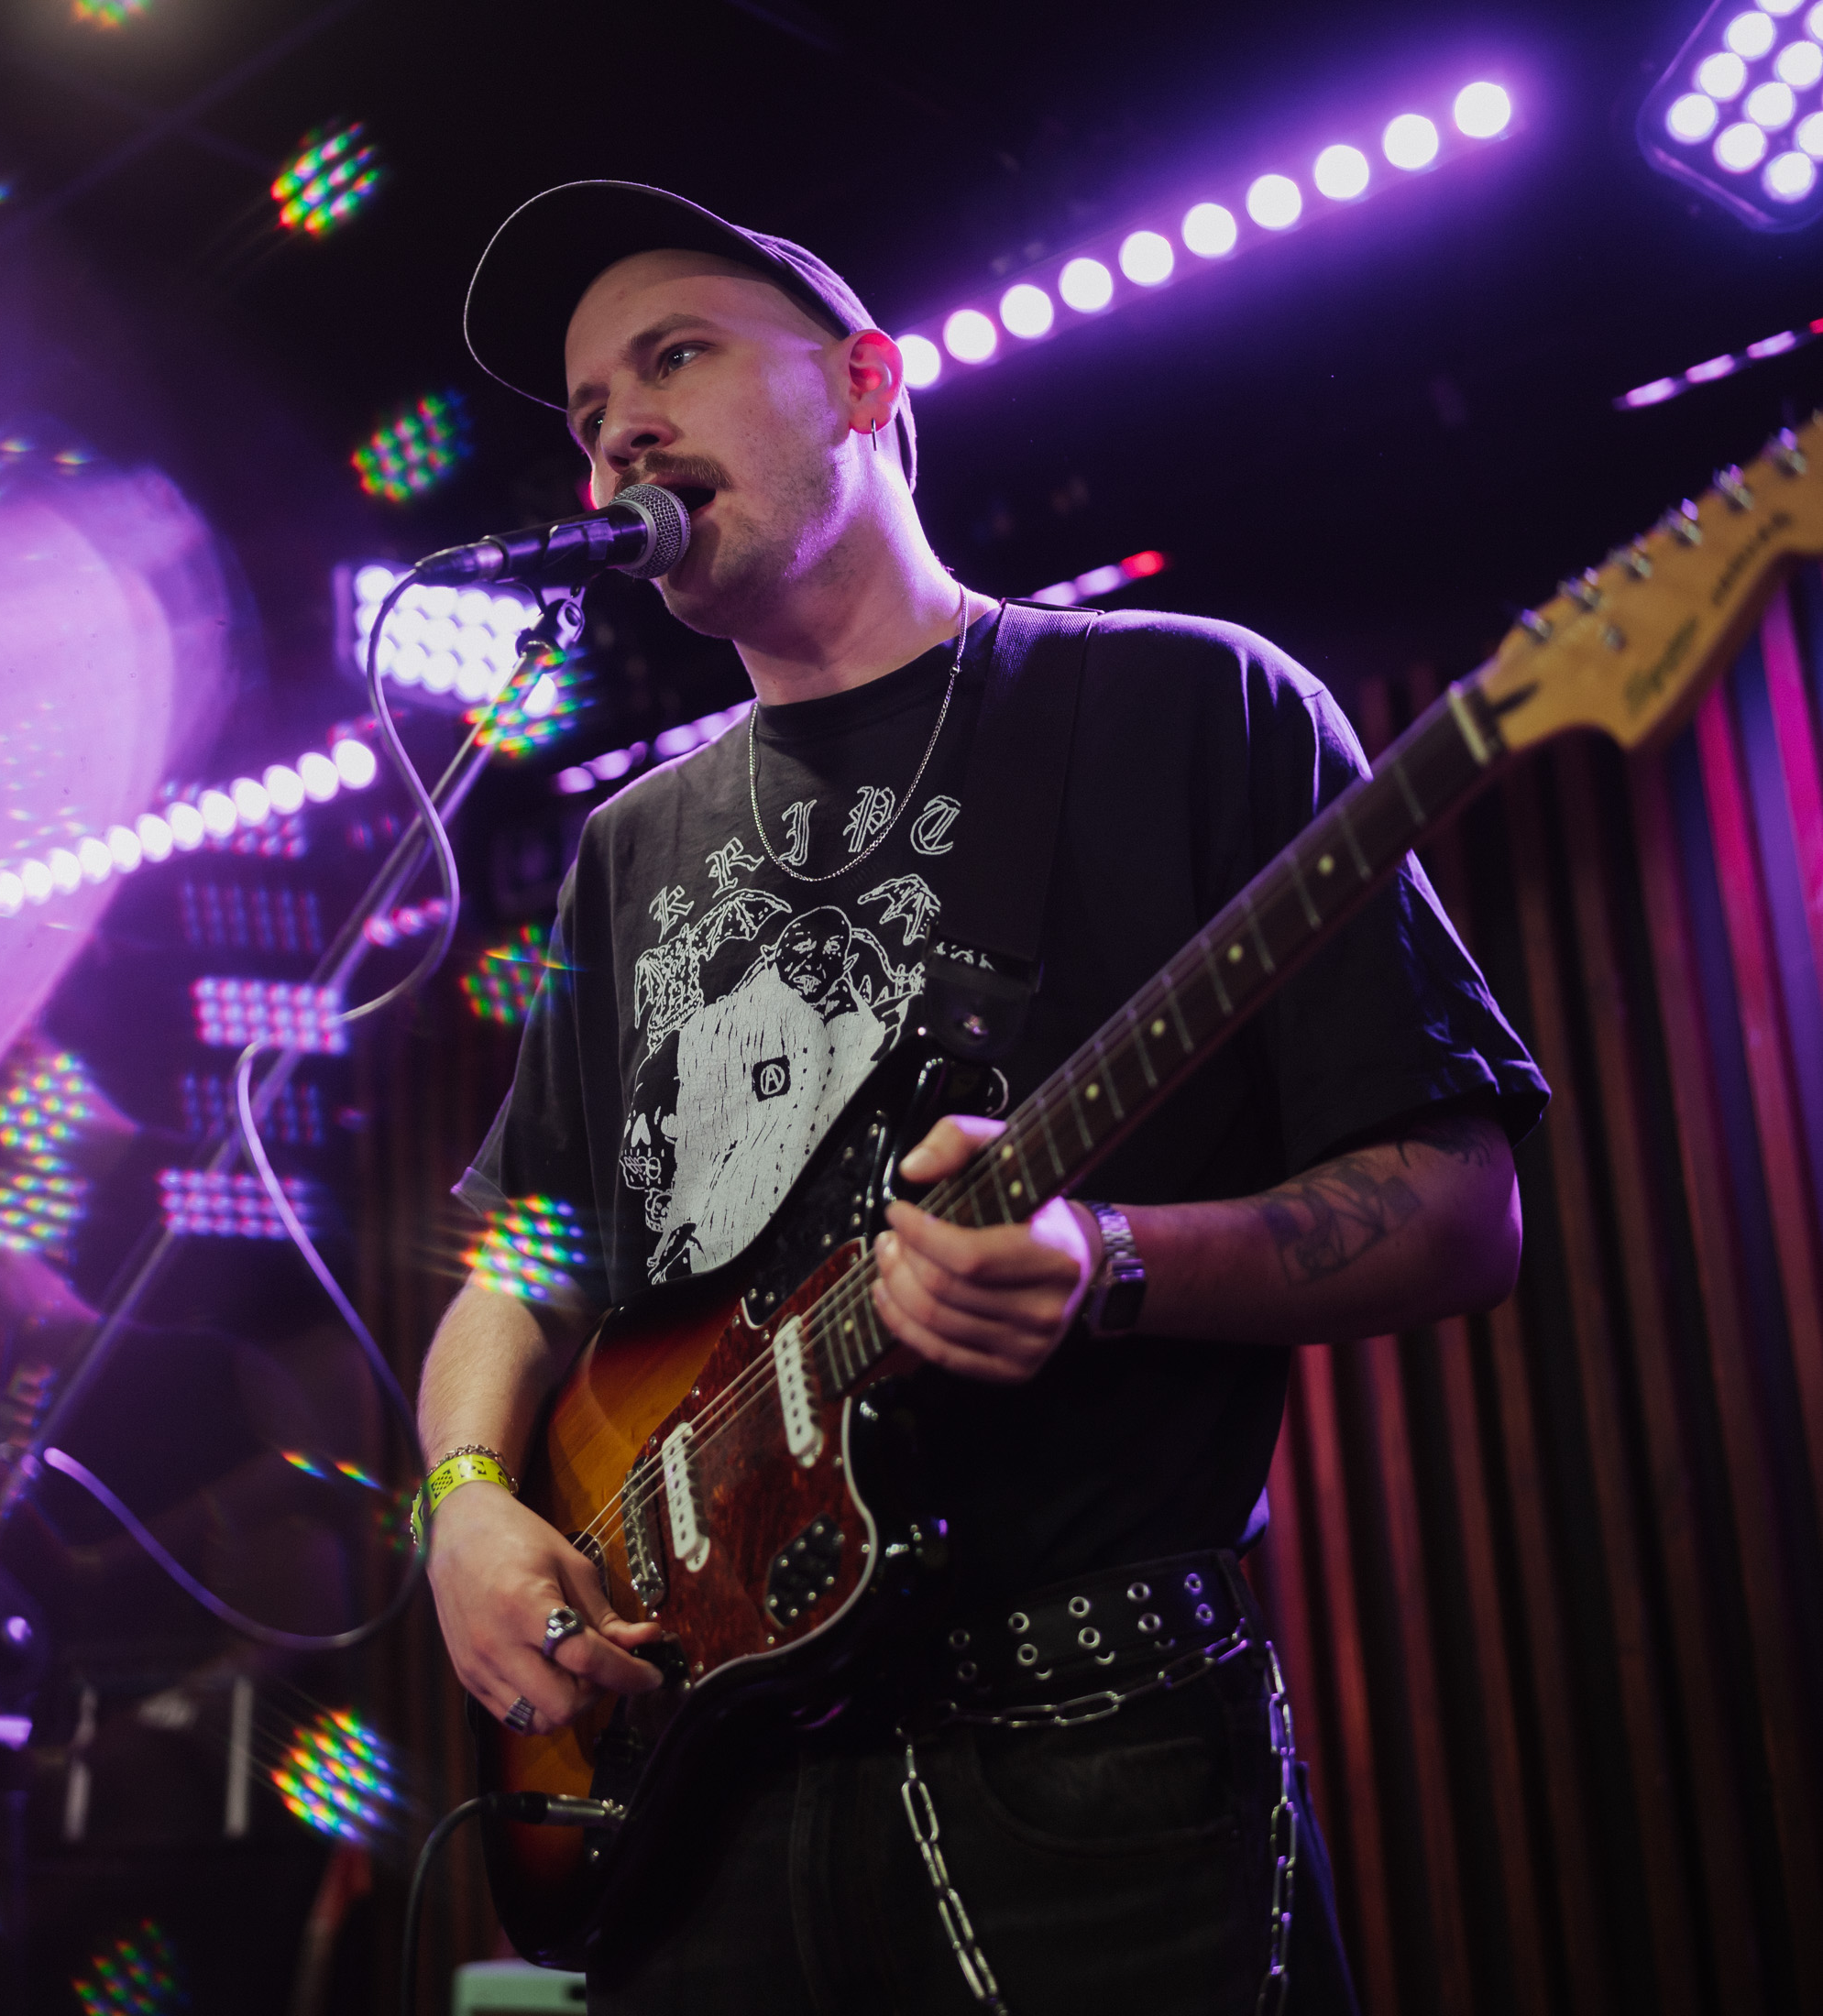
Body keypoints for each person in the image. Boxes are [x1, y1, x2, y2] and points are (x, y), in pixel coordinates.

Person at [421, 183, 1548, 2011]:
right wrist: (467, 1496)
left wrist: (1115, 1260)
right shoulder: (630, 846)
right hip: (701, 1802)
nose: (618, 428)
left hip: (1087, 1762)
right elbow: (522, 1263)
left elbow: (1461, 1204)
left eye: (674, 357)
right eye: (587, 410)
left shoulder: (1186, 704)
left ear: (864, 383)